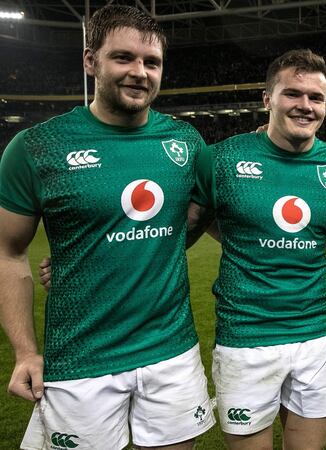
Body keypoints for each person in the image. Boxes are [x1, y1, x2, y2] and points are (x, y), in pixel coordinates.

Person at [0, 5, 214, 450]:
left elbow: (200, 215)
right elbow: (7, 252)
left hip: (171, 352)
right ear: (90, 60)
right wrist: (25, 351)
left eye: (151, 62)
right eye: (123, 58)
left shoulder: (186, 142)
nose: (140, 72)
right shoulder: (37, 147)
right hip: (81, 360)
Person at [189, 49, 326, 450]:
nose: (305, 106)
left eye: (316, 98)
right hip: (246, 338)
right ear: (267, 99)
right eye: (293, 94)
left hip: (314, 337)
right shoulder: (222, 160)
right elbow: (182, 228)